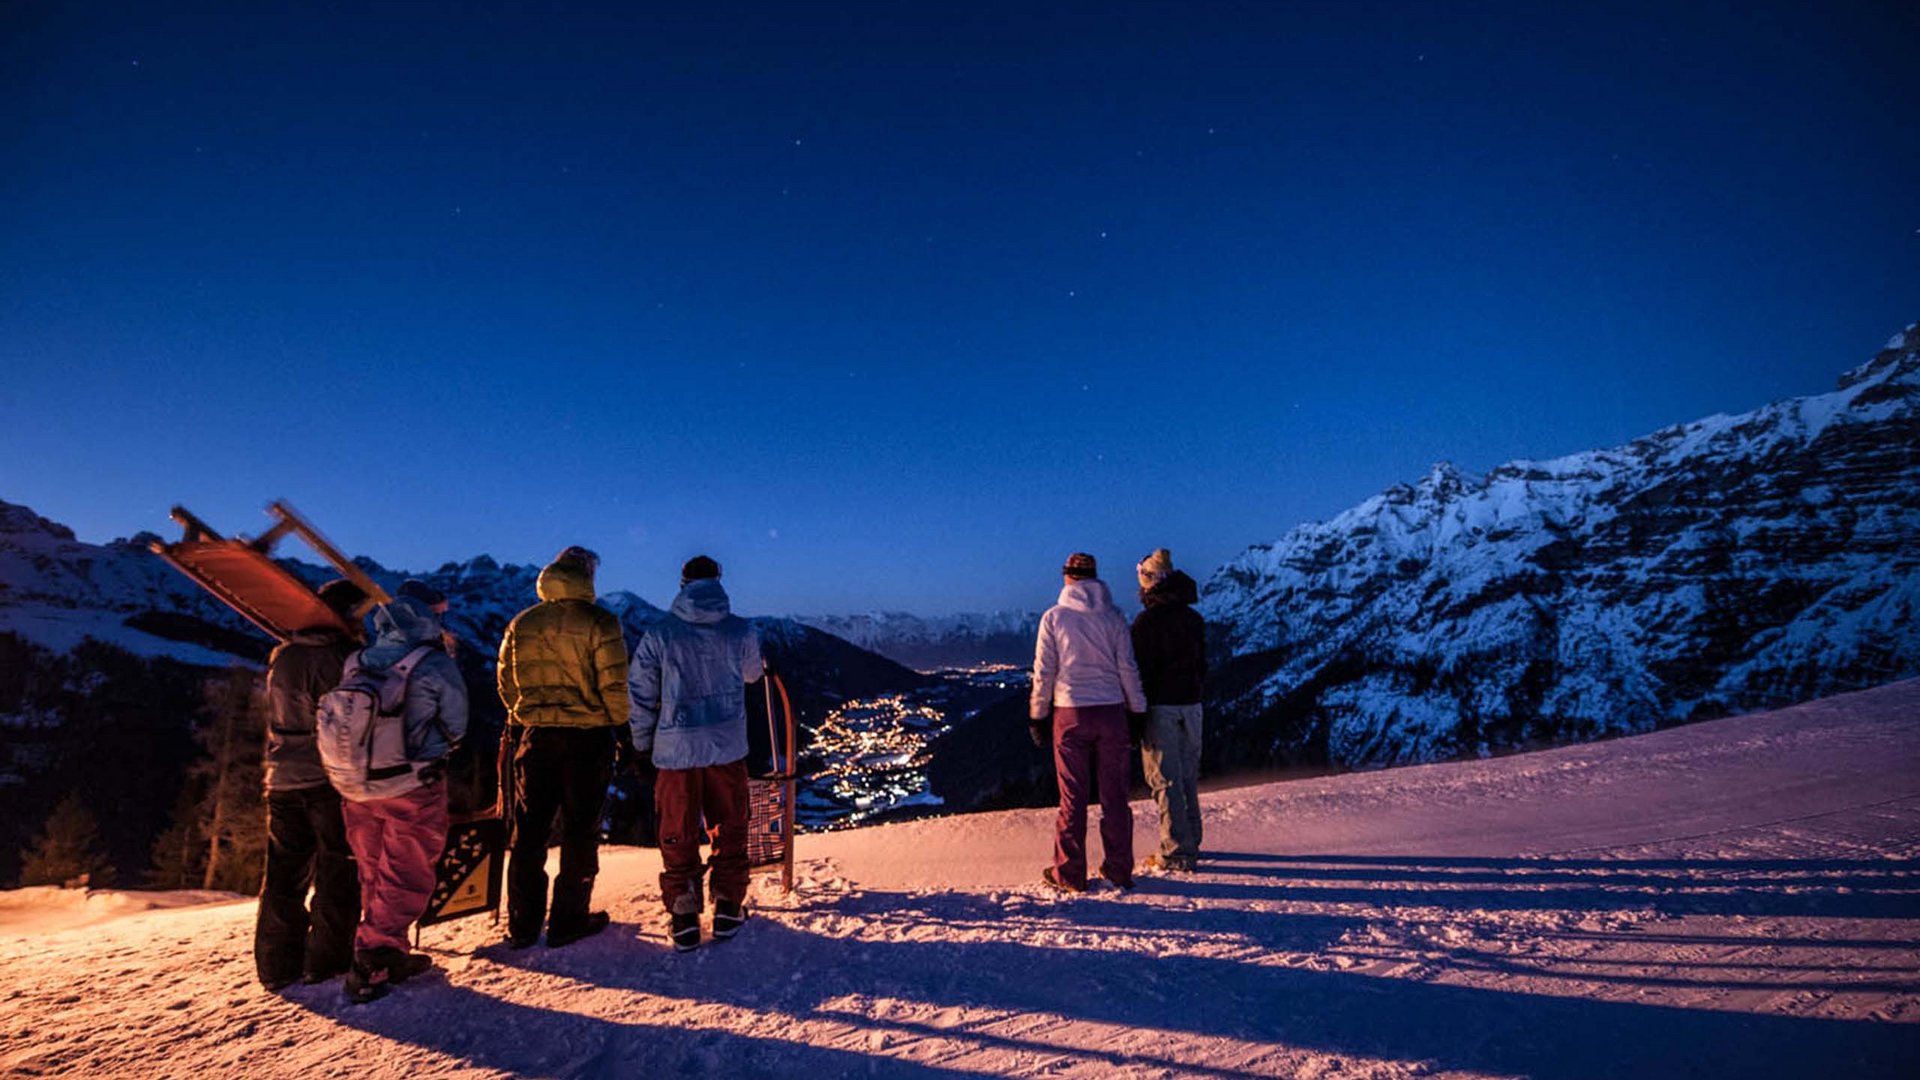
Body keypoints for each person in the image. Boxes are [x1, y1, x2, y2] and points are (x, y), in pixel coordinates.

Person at [339, 580, 469, 1004]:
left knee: (373, 867)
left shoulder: (357, 659)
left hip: (357, 783)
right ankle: (376, 960)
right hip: (412, 781)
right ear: (430, 616)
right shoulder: (433, 662)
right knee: (407, 868)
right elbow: (457, 726)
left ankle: (381, 945)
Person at [496, 546, 631, 949]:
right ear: (587, 575)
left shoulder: (522, 623)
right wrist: (622, 729)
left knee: (529, 831)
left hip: (535, 738)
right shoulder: (600, 622)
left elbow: (506, 684)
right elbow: (613, 685)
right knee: (580, 830)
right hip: (587, 740)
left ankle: (523, 923)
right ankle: (568, 919)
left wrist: (523, 718)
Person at [628, 555, 764, 952]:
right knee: (731, 824)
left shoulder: (660, 634)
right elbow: (753, 674)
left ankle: (684, 915)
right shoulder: (741, 630)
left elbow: (639, 694)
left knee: (677, 830)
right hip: (726, 745)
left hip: (675, 749)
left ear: (682, 583)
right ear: (719, 581)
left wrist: (641, 744)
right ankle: (727, 906)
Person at [255, 578, 366, 990]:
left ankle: (276, 965)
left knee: (284, 873)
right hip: (328, 778)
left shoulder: (282, 655)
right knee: (338, 869)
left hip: (282, 777)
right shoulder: (344, 659)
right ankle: (328, 959)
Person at [1029, 552, 1147, 893]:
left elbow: (1044, 672)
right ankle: (1119, 869)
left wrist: (1038, 715)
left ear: (1067, 577)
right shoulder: (1114, 617)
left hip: (1070, 713)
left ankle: (1070, 874)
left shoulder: (1054, 618)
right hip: (1111, 712)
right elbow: (1128, 668)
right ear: (1095, 577)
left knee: (1072, 798)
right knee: (1115, 796)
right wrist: (1137, 711)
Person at [1130, 548, 1208, 873]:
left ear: (1150, 581)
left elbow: (1139, 672)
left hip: (1161, 706)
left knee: (1165, 780)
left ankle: (1176, 851)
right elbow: (1202, 664)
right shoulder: (1193, 618)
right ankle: (1191, 840)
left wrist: (1135, 716)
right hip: (1192, 705)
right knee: (1188, 776)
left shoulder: (1146, 622)